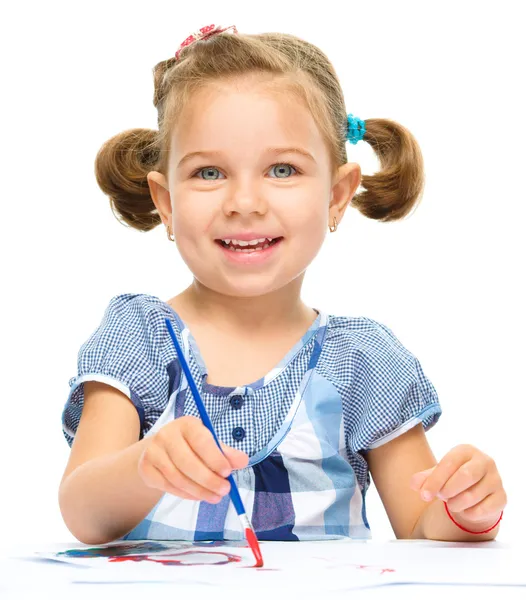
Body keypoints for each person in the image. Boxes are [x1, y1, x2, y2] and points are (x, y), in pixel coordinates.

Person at [58, 24, 506, 546]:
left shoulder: (363, 359)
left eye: (282, 169)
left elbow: (421, 528)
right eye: (208, 173)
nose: (244, 202)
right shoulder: (139, 336)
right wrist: (143, 465)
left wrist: (465, 511)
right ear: (166, 201)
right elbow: (83, 512)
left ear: (337, 195)